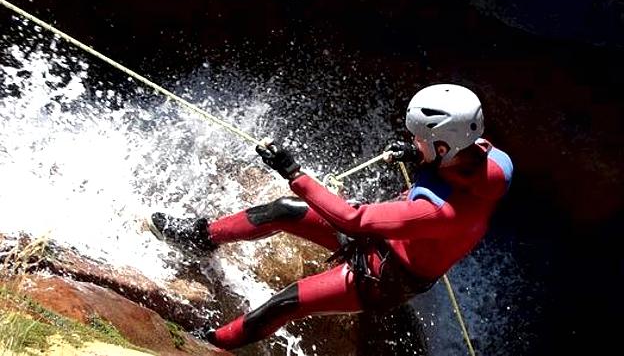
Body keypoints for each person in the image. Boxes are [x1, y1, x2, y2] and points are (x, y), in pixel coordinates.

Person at [149, 83, 513, 350]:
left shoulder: (437, 211)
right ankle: (201, 236)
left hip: (381, 277)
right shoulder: (488, 158)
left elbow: (352, 220)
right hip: (383, 242)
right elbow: (450, 169)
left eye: (417, 138)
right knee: (282, 211)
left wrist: (294, 173)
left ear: (443, 146)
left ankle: (207, 345)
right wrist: (419, 155)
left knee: (284, 303)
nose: (412, 141)